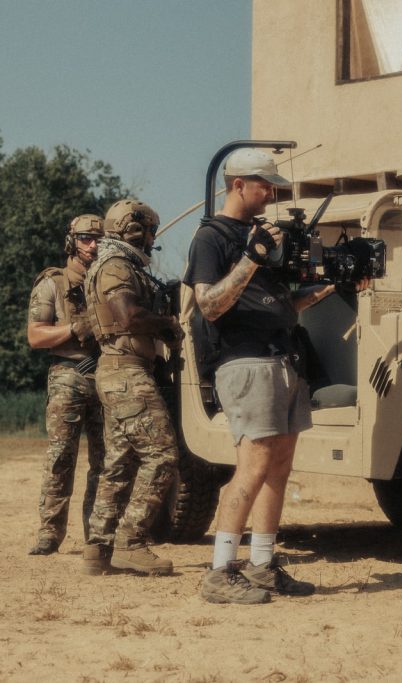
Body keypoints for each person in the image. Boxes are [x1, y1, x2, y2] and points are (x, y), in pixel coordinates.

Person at [184, 148, 346, 604]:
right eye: (264, 184)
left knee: (278, 467)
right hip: (245, 362)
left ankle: (261, 564)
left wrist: (310, 296)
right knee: (252, 467)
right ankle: (219, 572)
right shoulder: (212, 238)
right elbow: (210, 305)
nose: (271, 193)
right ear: (238, 184)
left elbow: (267, 304)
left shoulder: (259, 235)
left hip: (282, 358)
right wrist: (251, 258)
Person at [81, 199, 182, 576]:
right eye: (150, 231)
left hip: (121, 372)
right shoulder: (117, 265)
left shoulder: (112, 263)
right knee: (162, 456)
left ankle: (98, 549)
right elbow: (127, 315)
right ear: (133, 230)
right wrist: (167, 325)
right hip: (127, 373)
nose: (153, 240)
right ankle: (131, 541)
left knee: (119, 464)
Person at [26, 214, 106, 555]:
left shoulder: (110, 279)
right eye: (86, 238)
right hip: (68, 374)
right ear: (71, 241)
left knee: (107, 461)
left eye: (98, 239)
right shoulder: (53, 283)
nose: (92, 244)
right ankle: (49, 533)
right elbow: (35, 336)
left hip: (106, 374)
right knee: (61, 457)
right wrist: (75, 329)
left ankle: (99, 534)